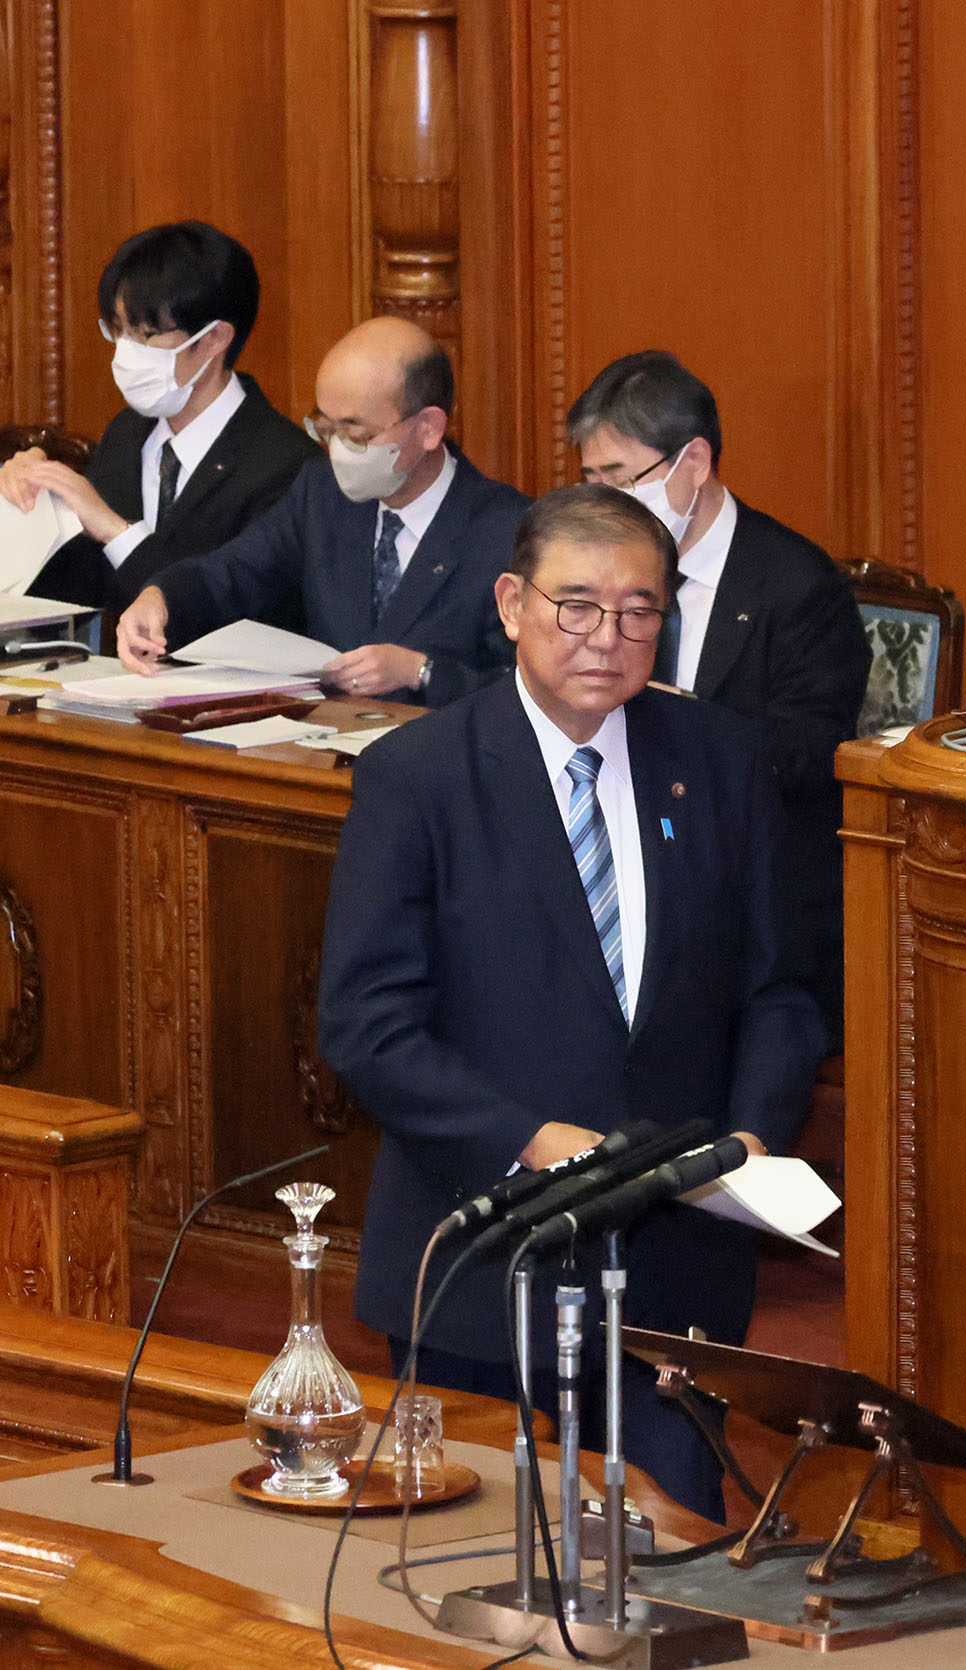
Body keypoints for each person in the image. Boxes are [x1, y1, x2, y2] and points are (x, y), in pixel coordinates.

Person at [317, 483, 824, 1517]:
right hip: (482, 1265)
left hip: (675, 1279)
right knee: (465, 1584)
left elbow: (780, 991)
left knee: (673, 1586)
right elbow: (367, 1021)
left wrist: (751, 1136)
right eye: (576, 606)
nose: (609, 636)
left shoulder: (719, 763)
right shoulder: (419, 776)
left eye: (639, 610)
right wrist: (528, 1138)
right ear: (511, 605)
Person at [568, 351, 866, 1034]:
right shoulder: (590, 577)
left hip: (749, 885)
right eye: (589, 481)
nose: (603, 503)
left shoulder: (795, 584)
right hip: (611, 852)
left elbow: (816, 752)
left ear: (693, 463)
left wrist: (687, 727)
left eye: (619, 479)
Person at [114, 317, 525, 704]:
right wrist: (158, 598)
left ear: (429, 428)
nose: (337, 450)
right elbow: (234, 571)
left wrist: (420, 671)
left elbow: (532, 689)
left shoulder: (508, 529)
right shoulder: (321, 495)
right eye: (326, 429)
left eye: (356, 434)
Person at [3, 222, 316, 616]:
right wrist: (34, 503)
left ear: (215, 339)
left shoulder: (287, 466)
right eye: (118, 331)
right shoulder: (127, 433)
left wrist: (115, 530)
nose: (125, 353)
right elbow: (83, 587)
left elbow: (235, 611)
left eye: (146, 335)